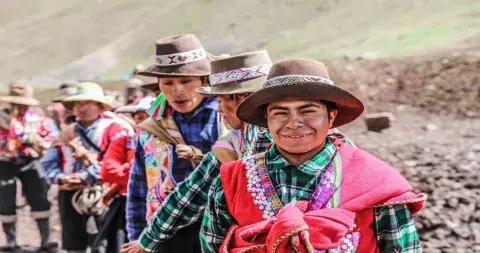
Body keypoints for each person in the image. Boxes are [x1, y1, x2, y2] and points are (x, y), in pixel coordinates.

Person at [200, 59, 426, 252]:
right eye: (280, 113)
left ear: (331, 117)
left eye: (308, 111)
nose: (294, 123)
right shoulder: (231, 181)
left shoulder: (375, 181)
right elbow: (211, 245)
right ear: (266, 121)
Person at [121, 51, 276, 253]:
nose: (178, 90)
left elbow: (193, 192)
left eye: (221, 101)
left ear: (242, 99)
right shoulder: (234, 139)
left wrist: (148, 240)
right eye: (167, 83)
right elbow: (189, 190)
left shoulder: (261, 135)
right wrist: (143, 237)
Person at [125, 34, 225, 252]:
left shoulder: (225, 119)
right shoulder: (151, 128)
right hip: (163, 232)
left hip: (218, 228)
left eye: (186, 81)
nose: (177, 90)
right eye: (168, 83)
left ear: (204, 80)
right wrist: (137, 234)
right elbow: (140, 184)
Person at [41, 82, 134, 253]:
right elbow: (48, 161)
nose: (81, 107)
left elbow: (113, 161)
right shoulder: (67, 132)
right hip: (69, 194)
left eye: (86, 103)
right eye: (77, 103)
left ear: (100, 106)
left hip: (104, 194)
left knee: (103, 243)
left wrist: (85, 176)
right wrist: (60, 177)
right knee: (73, 243)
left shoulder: (116, 130)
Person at [0, 82, 59, 251]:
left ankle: (46, 238)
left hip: (30, 161)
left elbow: (52, 137)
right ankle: (11, 240)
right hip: (5, 162)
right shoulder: (1, 118)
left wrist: (39, 142)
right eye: (16, 103)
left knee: (39, 195)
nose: (20, 107)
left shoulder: (37, 119)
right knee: (5, 198)